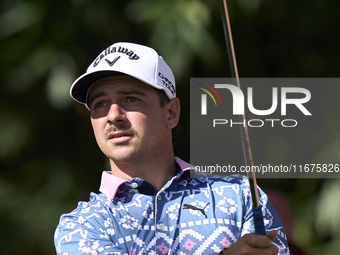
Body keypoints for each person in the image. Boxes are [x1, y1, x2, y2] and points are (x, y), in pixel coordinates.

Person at [54, 42, 290, 255]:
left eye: (131, 99)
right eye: (100, 104)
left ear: (171, 113)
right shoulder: (81, 226)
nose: (113, 115)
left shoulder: (241, 195)